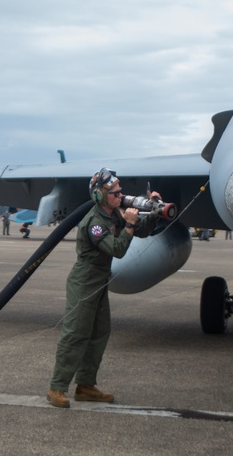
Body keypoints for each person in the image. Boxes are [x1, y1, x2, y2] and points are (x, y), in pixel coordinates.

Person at [46, 168, 161, 409]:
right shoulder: (95, 223)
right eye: (114, 192)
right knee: (76, 333)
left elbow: (142, 230)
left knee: (99, 333)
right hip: (84, 281)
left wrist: (154, 209)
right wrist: (129, 225)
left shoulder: (115, 215)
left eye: (120, 191)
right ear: (100, 196)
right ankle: (56, 387)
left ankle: (86, 386)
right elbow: (118, 249)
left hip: (99, 281)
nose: (120, 195)